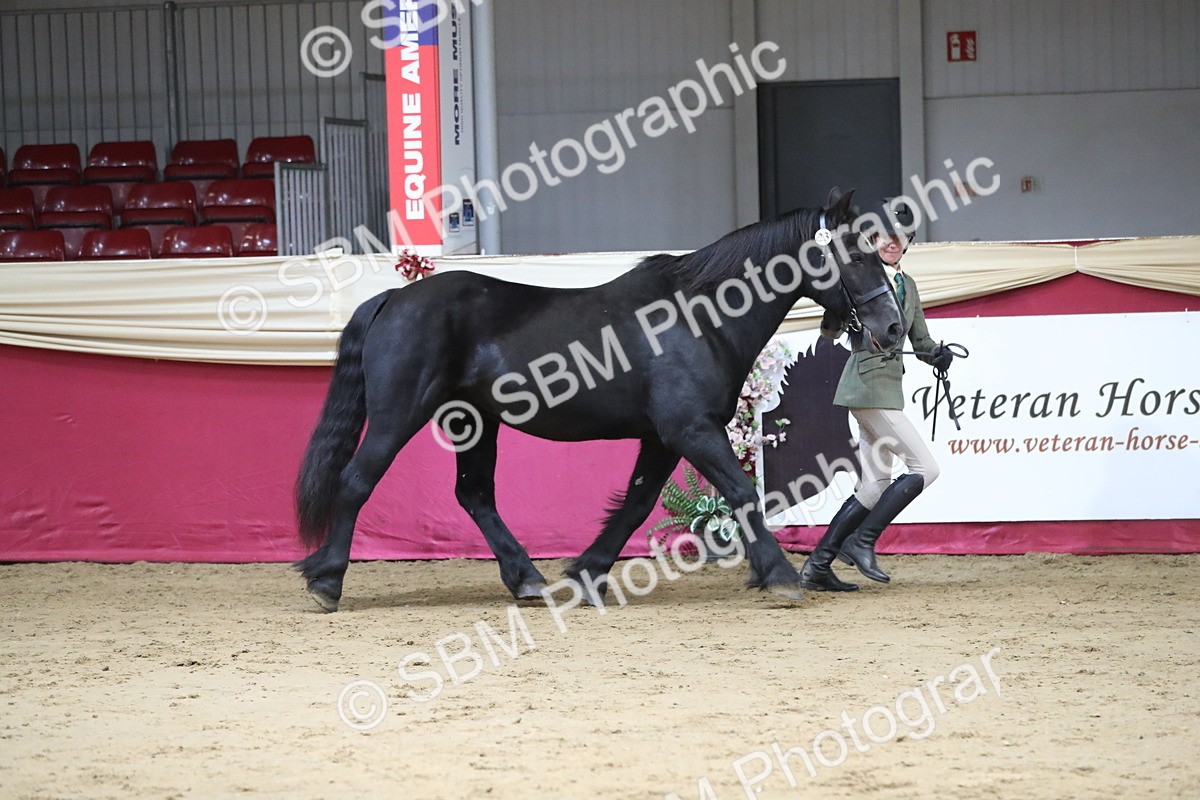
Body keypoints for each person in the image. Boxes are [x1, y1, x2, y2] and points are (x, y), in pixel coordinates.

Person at [800, 199, 955, 592]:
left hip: (888, 389)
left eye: (901, 237)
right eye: (885, 235)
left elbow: (920, 341)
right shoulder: (860, 278)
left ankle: (817, 565)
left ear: (908, 243)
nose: (892, 242)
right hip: (867, 386)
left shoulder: (909, 286)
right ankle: (862, 540)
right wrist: (837, 313)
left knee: (873, 485)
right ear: (872, 238)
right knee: (925, 469)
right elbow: (830, 332)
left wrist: (938, 354)